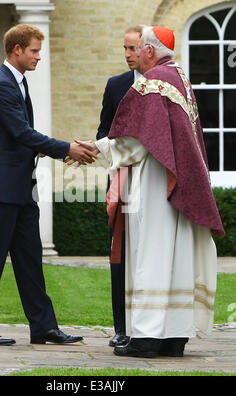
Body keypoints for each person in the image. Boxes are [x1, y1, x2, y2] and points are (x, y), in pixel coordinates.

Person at [74, 26, 225, 358]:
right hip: (179, 185)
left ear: (152, 51)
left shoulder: (152, 82)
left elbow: (135, 142)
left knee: (152, 255)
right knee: (176, 257)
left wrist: (95, 149)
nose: (134, 53)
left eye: (139, 47)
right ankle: (173, 337)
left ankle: (146, 338)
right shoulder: (180, 80)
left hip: (157, 185)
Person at [0, 24, 96, 346]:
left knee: (30, 258)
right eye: (34, 51)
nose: (39, 57)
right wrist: (67, 149)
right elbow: (22, 133)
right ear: (17, 50)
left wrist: (61, 150)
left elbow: (22, 138)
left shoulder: (17, 83)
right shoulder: (2, 86)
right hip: (1, 187)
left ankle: (43, 326)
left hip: (21, 187)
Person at [97, 26, 142, 348]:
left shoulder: (168, 85)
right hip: (124, 181)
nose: (127, 55)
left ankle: (149, 325)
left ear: (148, 49)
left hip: (156, 184)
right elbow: (105, 131)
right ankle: (121, 327)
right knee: (121, 255)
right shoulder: (116, 85)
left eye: (132, 48)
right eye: (124, 48)